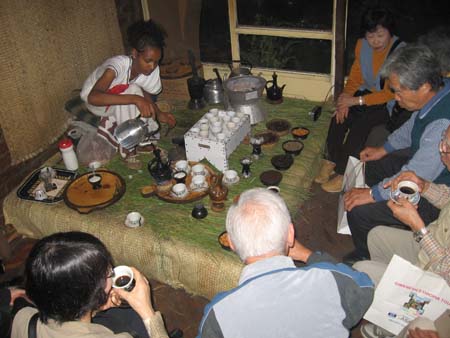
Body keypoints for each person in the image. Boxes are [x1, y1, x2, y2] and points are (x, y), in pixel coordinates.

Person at [197, 188, 374, 338]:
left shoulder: (218, 313)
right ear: (290, 234)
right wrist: (307, 254)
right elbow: (366, 289)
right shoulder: (330, 279)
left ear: (232, 244)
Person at [342, 44, 450, 264]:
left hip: (438, 193)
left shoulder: (442, 123)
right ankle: (392, 223)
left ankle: (367, 254)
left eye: (399, 91)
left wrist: (371, 196)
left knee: (359, 212)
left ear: (424, 86)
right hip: (425, 172)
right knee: (374, 166)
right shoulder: (441, 88)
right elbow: (412, 127)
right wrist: (383, 149)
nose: (395, 97)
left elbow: (417, 173)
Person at [11, 231, 169, 338]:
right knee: (132, 315)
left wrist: (94, 307)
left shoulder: (22, 317)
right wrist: (148, 312)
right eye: (108, 273)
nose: (112, 271)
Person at [318, 7, 405, 192]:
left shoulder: (399, 52)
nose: (375, 41)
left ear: (390, 31)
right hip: (363, 94)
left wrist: (356, 102)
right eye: (370, 35)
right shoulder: (362, 45)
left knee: (360, 127)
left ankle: (343, 173)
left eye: (380, 35)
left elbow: (390, 93)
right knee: (339, 117)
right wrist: (345, 99)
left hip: (387, 102)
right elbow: (356, 77)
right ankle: (329, 160)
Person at [80, 19, 176, 168]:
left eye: (156, 61)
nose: (152, 66)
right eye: (148, 60)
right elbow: (93, 97)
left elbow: (146, 94)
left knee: (136, 92)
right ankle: (127, 149)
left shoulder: (151, 69)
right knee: (132, 92)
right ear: (134, 54)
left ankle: (140, 140)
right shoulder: (117, 65)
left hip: (119, 99)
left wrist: (159, 113)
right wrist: (135, 99)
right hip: (97, 103)